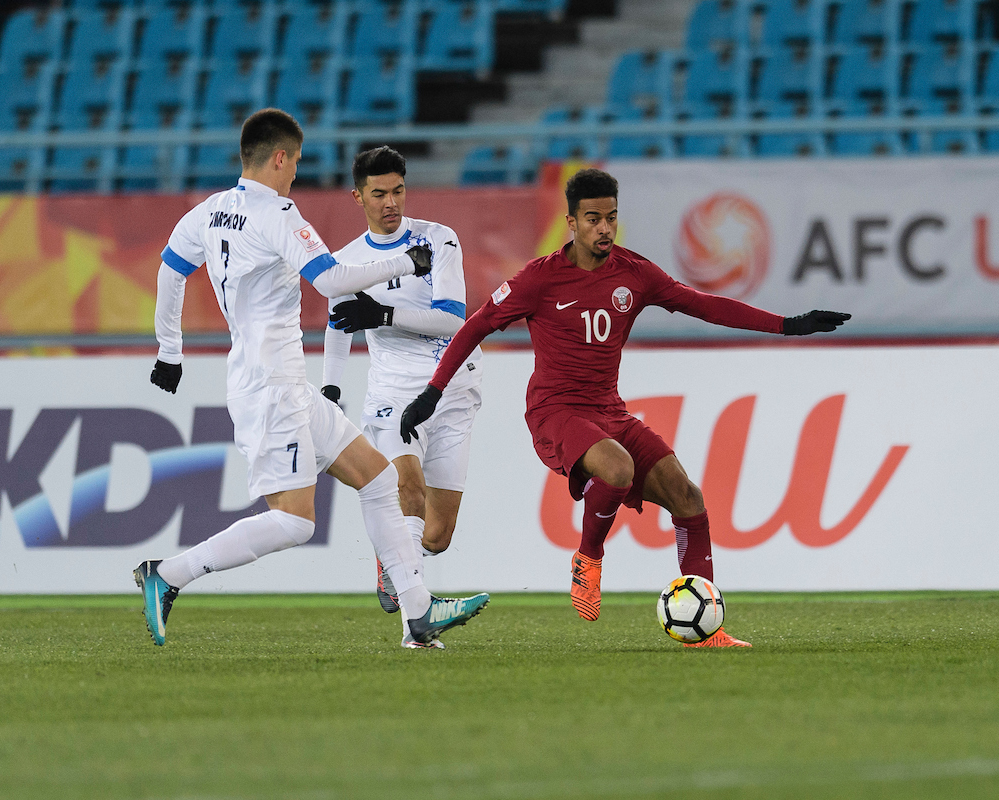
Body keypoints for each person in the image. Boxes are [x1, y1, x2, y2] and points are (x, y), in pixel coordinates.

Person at [399, 168, 850, 649]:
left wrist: (787, 325)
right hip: (555, 412)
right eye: (593, 219)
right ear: (571, 222)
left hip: (608, 411)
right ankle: (588, 558)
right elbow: (476, 326)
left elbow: (702, 304)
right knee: (616, 467)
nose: (605, 228)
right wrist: (433, 391)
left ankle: (705, 632)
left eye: (611, 217)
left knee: (689, 500)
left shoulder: (635, 274)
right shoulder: (539, 279)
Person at [135, 108, 489, 650]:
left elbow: (170, 271)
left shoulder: (207, 212)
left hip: (285, 383)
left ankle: (417, 614)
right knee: (296, 523)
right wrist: (405, 263)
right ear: (280, 158)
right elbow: (332, 282)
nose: (295, 173)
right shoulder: (279, 213)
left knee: (378, 479)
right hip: (270, 387)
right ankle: (171, 573)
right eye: (295, 162)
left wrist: (169, 351)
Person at [320, 147, 483, 634]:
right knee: (405, 486)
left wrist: (384, 314)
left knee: (437, 535)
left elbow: (453, 317)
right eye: (378, 194)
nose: (390, 202)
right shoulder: (346, 261)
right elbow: (337, 323)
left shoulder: (439, 240)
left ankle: (391, 555)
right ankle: (420, 620)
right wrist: (330, 389)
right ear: (358, 197)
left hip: (452, 390)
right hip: (392, 392)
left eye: (398, 191)